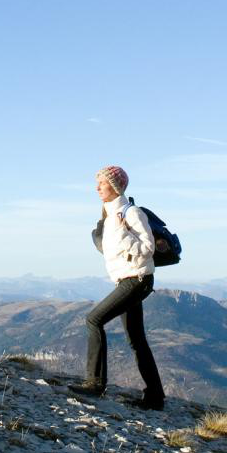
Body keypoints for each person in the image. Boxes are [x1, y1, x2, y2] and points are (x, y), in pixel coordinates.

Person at [68, 165, 165, 410]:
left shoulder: (131, 213)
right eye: (98, 183)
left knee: (94, 320)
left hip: (137, 279)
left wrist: (123, 235)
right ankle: (155, 397)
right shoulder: (111, 215)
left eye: (101, 183)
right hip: (128, 279)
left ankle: (95, 383)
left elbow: (147, 249)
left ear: (115, 186)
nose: (97, 187)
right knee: (136, 340)